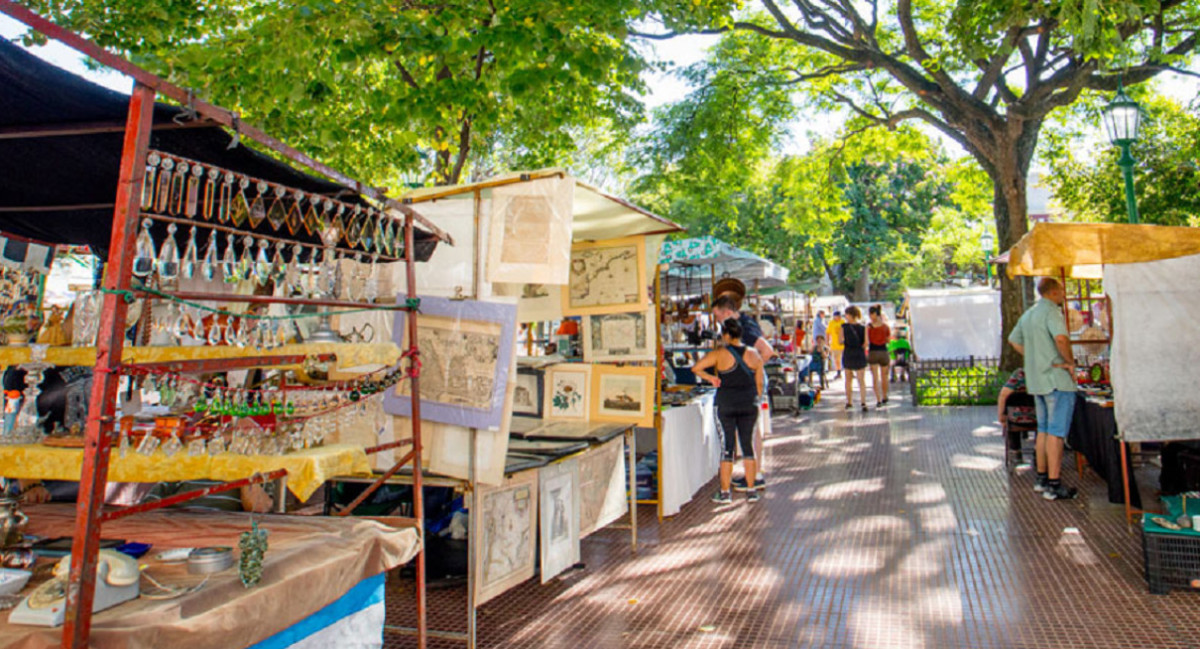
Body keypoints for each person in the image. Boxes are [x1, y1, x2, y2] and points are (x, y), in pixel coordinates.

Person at [1008, 277, 1078, 501]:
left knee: (1043, 430)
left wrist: (1034, 358)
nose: (1064, 294)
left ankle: (1041, 477)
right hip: (1056, 380)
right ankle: (1054, 483)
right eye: (1062, 290)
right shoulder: (1052, 312)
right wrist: (1069, 362)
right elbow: (1061, 338)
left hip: (1037, 381)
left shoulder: (1029, 314)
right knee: (1056, 433)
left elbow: (1013, 340)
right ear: (1054, 292)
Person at [691, 318, 765, 505]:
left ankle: (725, 493)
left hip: (725, 404)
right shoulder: (754, 354)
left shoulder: (719, 354)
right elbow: (760, 383)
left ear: (725, 335)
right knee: (748, 446)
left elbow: (696, 368)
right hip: (749, 405)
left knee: (727, 448)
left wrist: (711, 379)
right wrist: (755, 398)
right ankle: (751, 490)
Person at [711, 295, 775, 363]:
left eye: (717, 316)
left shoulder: (745, 328)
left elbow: (767, 352)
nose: (717, 320)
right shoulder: (738, 323)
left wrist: (752, 370)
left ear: (728, 313)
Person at [997, 368, 1037, 466]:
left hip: (1016, 419)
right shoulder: (1046, 373)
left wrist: (1001, 415)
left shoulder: (1020, 374)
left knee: (1010, 416)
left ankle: (1015, 451)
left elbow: (1004, 394)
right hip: (1039, 417)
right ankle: (1038, 451)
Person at [840, 306, 869, 411]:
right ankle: (863, 402)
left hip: (848, 353)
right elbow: (866, 343)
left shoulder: (843, 327)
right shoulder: (863, 327)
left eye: (846, 314)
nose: (845, 316)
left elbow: (840, 340)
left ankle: (849, 402)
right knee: (861, 380)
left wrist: (848, 342)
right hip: (859, 353)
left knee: (848, 379)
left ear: (850, 315)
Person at [866, 305, 892, 406]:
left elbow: (867, 341)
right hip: (883, 351)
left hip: (873, 352)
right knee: (884, 376)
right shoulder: (885, 327)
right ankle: (885, 396)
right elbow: (888, 340)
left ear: (873, 314)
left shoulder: (869, 327)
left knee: (875, 377)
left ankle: (878, 399)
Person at [827, 311, 845, 378]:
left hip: (843, 344)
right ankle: (838, 372)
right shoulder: (831, 323)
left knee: (845, 359)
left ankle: (849, 372)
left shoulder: (843, 322)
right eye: (837, 316)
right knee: (837, 360)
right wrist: (827, 342)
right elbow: (828, 332)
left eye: (839, 316)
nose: (838, 317)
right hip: (835, 344)